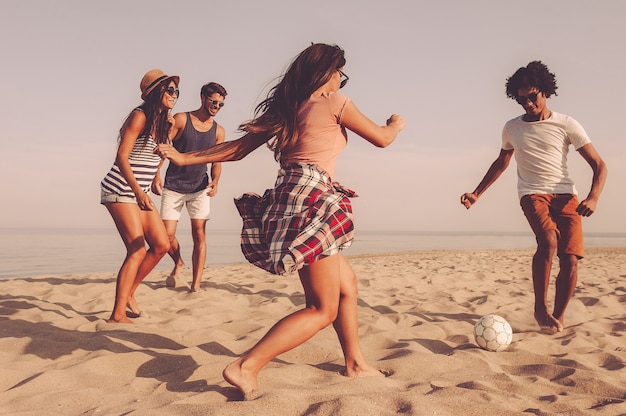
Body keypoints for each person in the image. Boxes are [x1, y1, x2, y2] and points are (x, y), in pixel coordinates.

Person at [156, 43, 406, 398]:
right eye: (340, 74)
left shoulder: (288, 108)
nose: (341, 81)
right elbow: (381, 139)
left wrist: (184, 158)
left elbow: (237, 149)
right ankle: (247, 365)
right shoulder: (334, 102)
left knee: (346, 283)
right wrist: (395, 124)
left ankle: (355, 363)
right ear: (326, 74)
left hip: (288, 195)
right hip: (312, 199)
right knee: (321, 308)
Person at [460, 61, 607, 335]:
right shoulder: (512, 128)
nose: (527, 104)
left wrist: (593, 197)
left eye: (532, 97)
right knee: (548, 239)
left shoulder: (567, 124)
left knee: (571, 259)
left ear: (545, 92)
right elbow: (501, 163)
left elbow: (599, 165)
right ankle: (540, 308)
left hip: (566, 195)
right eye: (521, 99)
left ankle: (557, 319)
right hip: (532, 193)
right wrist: (476, 193)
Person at [100, 69, 179, 323]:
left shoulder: (168, 123)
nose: (174, 95)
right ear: (156, 92)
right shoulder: (139, 117)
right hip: (120, 189)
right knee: (136, 249)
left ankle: (130, 293)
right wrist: (137, 191)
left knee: (162, 245)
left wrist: (156, 176)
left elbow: (157, 156)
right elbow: (122, 157)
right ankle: (117, 314)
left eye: (176, 91)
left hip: (140, 190)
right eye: (169, 90)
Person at [152, 82, 227, 292]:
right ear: (202, 97)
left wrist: (216, 181)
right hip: (174, 185)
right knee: (166, 237)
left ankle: (195, 285)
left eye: (221, 104)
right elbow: (165, 145)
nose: (216, 107)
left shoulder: (219, 131)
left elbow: (217, 160)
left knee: (199, 235)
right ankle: (178, 262)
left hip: (199, 189)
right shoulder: (182, 119)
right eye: (214, 102)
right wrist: (156, 174)